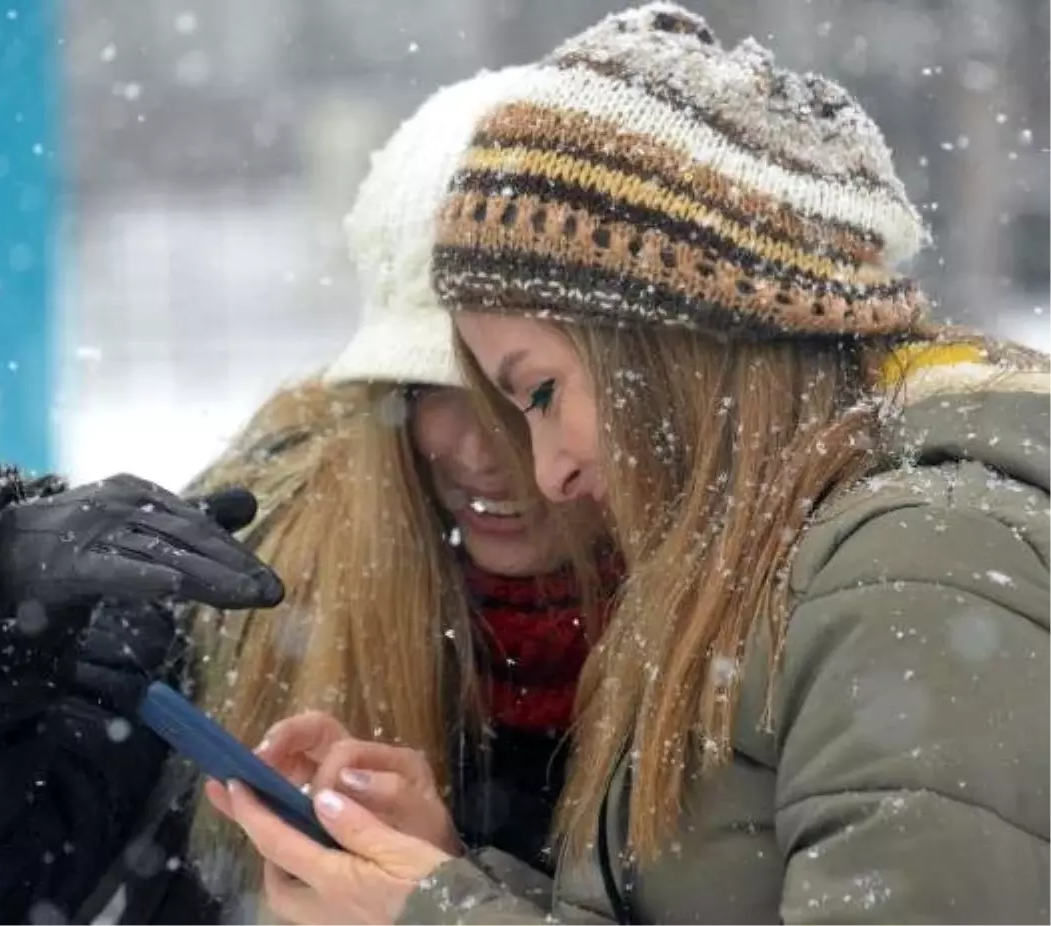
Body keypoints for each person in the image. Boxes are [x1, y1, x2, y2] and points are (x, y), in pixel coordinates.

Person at [210, 4, 1051, 925]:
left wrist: (437, 915)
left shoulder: (915, 572)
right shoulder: (788, 567)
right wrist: (443, 877)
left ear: (664, 344)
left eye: (538, 394)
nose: (547, 473)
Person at [0, 64, 614, 925]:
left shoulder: (771, 640)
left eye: (529, 393)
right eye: (435, 389)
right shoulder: (240, 591)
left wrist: (439, 898)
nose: (485, 454)